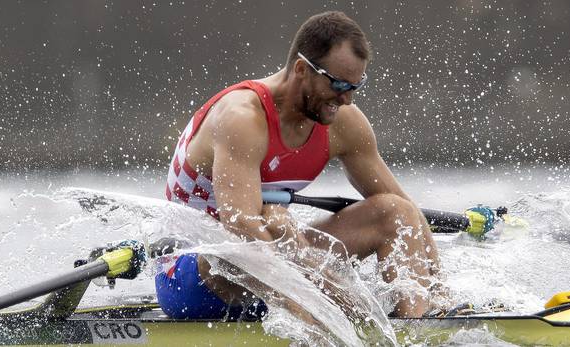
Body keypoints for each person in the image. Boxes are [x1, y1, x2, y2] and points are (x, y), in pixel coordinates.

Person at [157, 11, 441, 319]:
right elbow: (241, 228)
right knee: (272, 224)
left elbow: (410, 216)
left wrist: (439, 287)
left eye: (355, 87)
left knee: (394, 212)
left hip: (277, 260)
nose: (346, 99)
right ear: (303, 70)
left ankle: (416, 326)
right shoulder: (242, 118)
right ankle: (337, 323)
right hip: (195, 276)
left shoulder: (344, 123)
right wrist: (334, 298)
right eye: (338, 85)